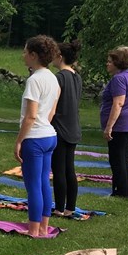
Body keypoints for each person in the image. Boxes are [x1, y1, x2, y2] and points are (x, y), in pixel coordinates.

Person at [14, 35, 61, 237]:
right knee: (43, 182)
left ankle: (33, 229)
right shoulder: (53, 78)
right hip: (49, 135)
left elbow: (31, 115)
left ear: (33, 55)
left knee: (33, 184)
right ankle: (43, 226)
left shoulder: (35, 80)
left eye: (25, 51)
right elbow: (51, 111)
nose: (23, 55)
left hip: (35, 137)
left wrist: (19, 140)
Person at [101, 47, 128, 198]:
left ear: (117, 63)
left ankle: (120, 191)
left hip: (122, 123)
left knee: (117, 158)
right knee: (124, 157)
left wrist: (109, 127)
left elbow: (118, 103)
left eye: (110, 62)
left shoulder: (119, 79)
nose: (107, 64)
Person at [51, 40, 82, 217]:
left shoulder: (59, 77)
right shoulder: (76, 76)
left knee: (59, 170)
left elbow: (53, 104)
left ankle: (60, 208)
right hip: (73, 127)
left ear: (60, 56)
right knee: (69, 168)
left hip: (60, 128)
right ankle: (70, 207)